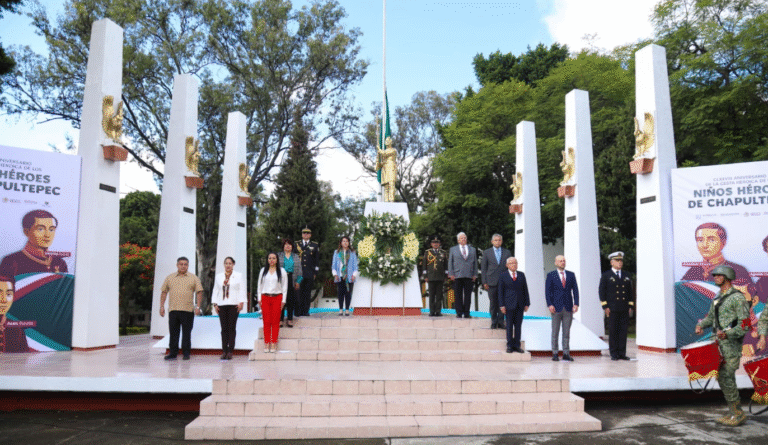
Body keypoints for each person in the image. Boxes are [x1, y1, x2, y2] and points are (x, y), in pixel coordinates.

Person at [695, 265, 750, 426]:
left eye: (719, 276)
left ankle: (738, 413)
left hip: (731, 346)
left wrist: (728, 334)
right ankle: (733, 412)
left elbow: (745, 324)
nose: (716, 278)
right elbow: (712, 317)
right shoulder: (718, 296)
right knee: (723, 378)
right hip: (718, 345)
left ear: (727, 277)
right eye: (715, 276)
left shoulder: (738, 298)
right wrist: (701, 325)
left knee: (727, 377)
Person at [159, 257, 203, 360]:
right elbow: (164, 292)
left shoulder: (193, 278)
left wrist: (198, 307)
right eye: (181, 264)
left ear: (188, 265)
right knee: (174, 333)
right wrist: (161, 306)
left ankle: (186, 353)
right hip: (173, 310)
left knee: (186, 333)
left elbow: (199, 292)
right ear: (177, 265)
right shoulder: (170, 278)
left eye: (185, 264)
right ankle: (173, 353)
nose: (183, 266)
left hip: (188, 310)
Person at [0, 209, 68, 277]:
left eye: (51, 229)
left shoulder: (60, 262)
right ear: (26, 232)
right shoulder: (11, 261)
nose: (47, 235)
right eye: (40, 229)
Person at [682, 223, 751, 287]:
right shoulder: (692, 272)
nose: (705, 245)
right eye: (700, 240)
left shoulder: (738, 271)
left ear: (723, 243)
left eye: (711, 240)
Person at [599, 251, 634, 361]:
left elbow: (630, 292)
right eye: (617, 260)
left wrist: (630, 306)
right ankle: (614, 353)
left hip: (624, 307)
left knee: (623, 331)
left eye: (621, 260)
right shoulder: (606, 275)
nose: (620, 263)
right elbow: (601, 291)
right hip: (612, 308)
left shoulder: (626, 275)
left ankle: (622, 353)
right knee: (613, 331)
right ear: (612, 262)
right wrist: (605, 306)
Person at [545, 255, 579, 361]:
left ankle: (566, 353)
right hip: (556, 307)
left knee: (566, 332)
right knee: (555, 331)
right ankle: (555, 353)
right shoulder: (551, 275)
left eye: (564, 260)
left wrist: (576, 304)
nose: (562, 262)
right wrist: (549, 304)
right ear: (556, 263)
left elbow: (576, 290)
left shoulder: (571, 275)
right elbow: (548, 291)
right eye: (560, 261)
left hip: (568, 307)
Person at [211, 257, 246, 360]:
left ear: (233, 264)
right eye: (226, 263)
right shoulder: (219, 277)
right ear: (224, 264)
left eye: (230, 263)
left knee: (231, 328)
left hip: (234, 305)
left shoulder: (238, 276)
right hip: (222, 304)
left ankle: (230, 350)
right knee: (224, 329)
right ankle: (224, 350)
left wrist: (242, 302)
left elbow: (242, 289)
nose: (228, 265)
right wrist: (215, 304)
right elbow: (215, 290)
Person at [498, 257, 529, 353]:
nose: (513, 265)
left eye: (515, 263)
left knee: (518, 326)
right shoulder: (503, 276)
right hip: (508, 304)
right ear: (507, 265)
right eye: (511, 263)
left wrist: (527, 303)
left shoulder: (521, 275)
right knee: (509, 326)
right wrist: (502, 305)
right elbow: (500, 291)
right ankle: (509, 345)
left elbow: (525, 290)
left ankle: (517, 345)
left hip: (520, 304)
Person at [258, 252, 288, 353]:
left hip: (277, 297)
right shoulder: (263, 271)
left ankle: (274, 342)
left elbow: (285, 287)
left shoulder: (282, 271)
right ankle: (267, 343)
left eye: (274, 258)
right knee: (266, 321)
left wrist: (283, 300)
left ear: (277, 260)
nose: (271, 260)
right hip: (265, 297)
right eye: (270, 258)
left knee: (275, 321)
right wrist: (259, 298)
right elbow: (259, 286)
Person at [481, 234, 511, 329]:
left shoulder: (507, 252)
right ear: (492, 241)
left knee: (502, 302)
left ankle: (501, 321)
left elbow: (510, 267)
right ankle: (494, 321)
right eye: (495, 240)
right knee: (493, 303)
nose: (497, 242)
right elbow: (484, 268)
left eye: (499, 240)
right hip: (491, 281)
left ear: (501, 241)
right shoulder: (487, 252)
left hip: (504, 281)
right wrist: (484, 282)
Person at [448, 232, 477, 318]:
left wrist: (475, 274)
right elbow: (450, 262)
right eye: (461, 238)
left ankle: (467, 312)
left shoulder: (472, 249)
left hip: (469, 275)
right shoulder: (453, 249)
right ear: (458, 240)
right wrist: (451, 273)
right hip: (457, 275)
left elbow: (475, 263)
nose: (463, 239)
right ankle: (459, 312)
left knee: (468, 295)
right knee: (458, 295)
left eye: (464, 238)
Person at [277, 238, 302, 327]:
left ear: (292, 247)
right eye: (286, 244)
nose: (288, 246)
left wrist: (298, 281)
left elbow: (299, 270)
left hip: (291, 278)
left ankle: (290, 319)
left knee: (290, 299)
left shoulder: (295, 256)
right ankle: (280, 319)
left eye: (289, 244)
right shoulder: (278, 256)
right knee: (281, 299)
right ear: (283, 246)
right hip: (281, 279)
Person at [421, 235, 448, 316]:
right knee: (432, 295)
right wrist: (425, 276)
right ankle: (432, 311)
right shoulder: (427, 252)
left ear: (439, 244)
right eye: (434, 243)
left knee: (439, 295)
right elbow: (424, 266)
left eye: (437, 243)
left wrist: (446, 276)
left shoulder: (443, 252)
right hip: (431, 277)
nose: (435, 244)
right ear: (431, 244)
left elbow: (446, 266)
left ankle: (438, 311)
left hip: (440, 277)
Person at [332, 236, 358, 316]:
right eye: (343, 241)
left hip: (349, 276)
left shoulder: (352, 253)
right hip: (339, 276)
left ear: (349, 243)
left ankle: (347, 309)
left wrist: (354, 275)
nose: (345, 242)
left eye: (347, 241)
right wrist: (335, 274)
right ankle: (340, 309)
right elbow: (333, 265)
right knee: (340, 293)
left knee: (348, 293)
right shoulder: (336, 252)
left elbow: (355, 265)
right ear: (341, 242)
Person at [296, 226, 319, 316]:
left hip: (309, 272)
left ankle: (305, 311)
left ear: (310, 235)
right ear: (302, 234)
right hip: (299, 273)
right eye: (304, 233)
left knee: (307, 292)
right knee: (298, 292)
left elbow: (316, 260)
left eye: (307, 233)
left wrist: (315, 272)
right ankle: (298, 311)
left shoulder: (314, 245)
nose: (306, 234)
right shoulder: (297, 244)